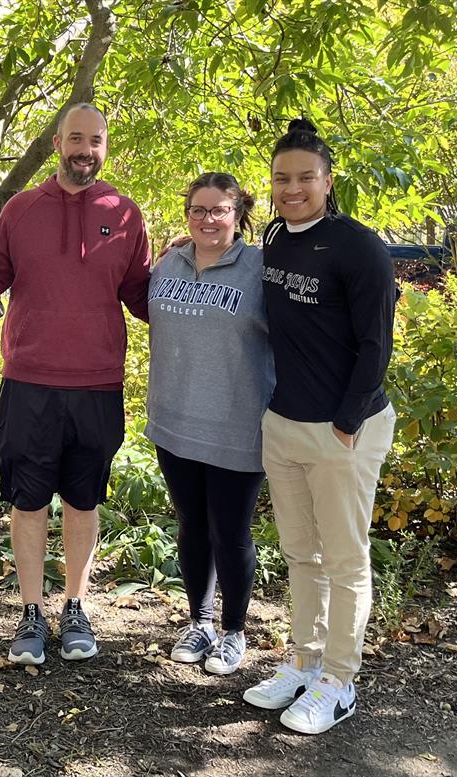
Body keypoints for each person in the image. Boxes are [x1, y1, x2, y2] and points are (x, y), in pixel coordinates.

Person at [0, 103, 151, 665]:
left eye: (94, 140)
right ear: (57, 142)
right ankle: (29, 612)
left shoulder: (125, 212)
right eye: (74, 138)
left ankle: (74, 605)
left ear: (104, 147)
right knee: (28, 499)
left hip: (97, 384)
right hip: (29, 382)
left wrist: (196, 276)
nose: (83, 150)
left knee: (83, 499)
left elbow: (142, 293)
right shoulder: (21, 210)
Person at [243, 118, 397, 734]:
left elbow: (376, 343)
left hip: (342, 430)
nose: (293, 188)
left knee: (345, 560)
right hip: (283, 422)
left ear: (328, 181)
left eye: (306, 177)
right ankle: (304, 664)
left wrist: (346, 423)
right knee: (299, 555)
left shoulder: (360, 247)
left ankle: (339, 680)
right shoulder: (277, 237)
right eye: (282, 178)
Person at [146, 173, 274, 675]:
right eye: (198, 210)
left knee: (231, 532)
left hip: (238, 423)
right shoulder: (168, 263)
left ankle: (233, 631)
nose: (207, 219)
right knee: (192, 526)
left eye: (219, 210)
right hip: (174, 419)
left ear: (239, 214)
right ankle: (198, 621)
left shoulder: (261, 268)